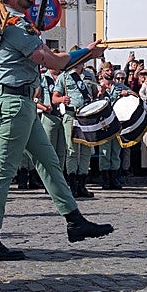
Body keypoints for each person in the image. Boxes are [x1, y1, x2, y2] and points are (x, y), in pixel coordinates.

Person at [0, 0, 113, 261]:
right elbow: (53, 62)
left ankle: (74, 221)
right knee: (2, 172)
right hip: (14, 102)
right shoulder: (15, 26)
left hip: (18, 101)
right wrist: (87, 53)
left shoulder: (4, 23)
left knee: (48, 162)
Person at [53, 58, 96, 198]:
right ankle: (72, 185)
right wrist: (61, 100)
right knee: (71, 150)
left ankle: (82, 184)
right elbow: (54, 98)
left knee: (86, 150)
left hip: (87, 116)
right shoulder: (64, 76)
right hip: (71, 114)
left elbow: (95, 94)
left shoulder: (89, 75)